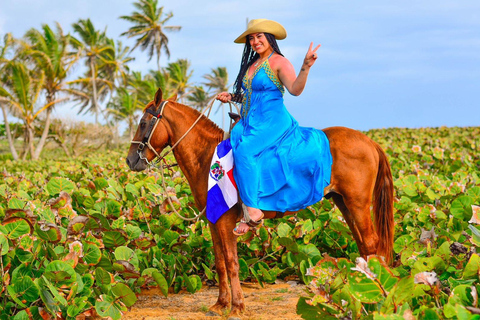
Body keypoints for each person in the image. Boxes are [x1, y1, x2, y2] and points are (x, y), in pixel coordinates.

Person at [216, 19, 332, 235]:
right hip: (252, 121)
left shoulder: (278, 61)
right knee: (232, 145)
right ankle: (241, 205)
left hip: (273, 121)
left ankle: (252, 211)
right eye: (251, 38)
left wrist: (305, 67)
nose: (255, 41)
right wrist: (231, 97)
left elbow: (295, 90)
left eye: (259, 36)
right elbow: (251, 95)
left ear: (269, 38)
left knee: (245, 150)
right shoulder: (252, 65)